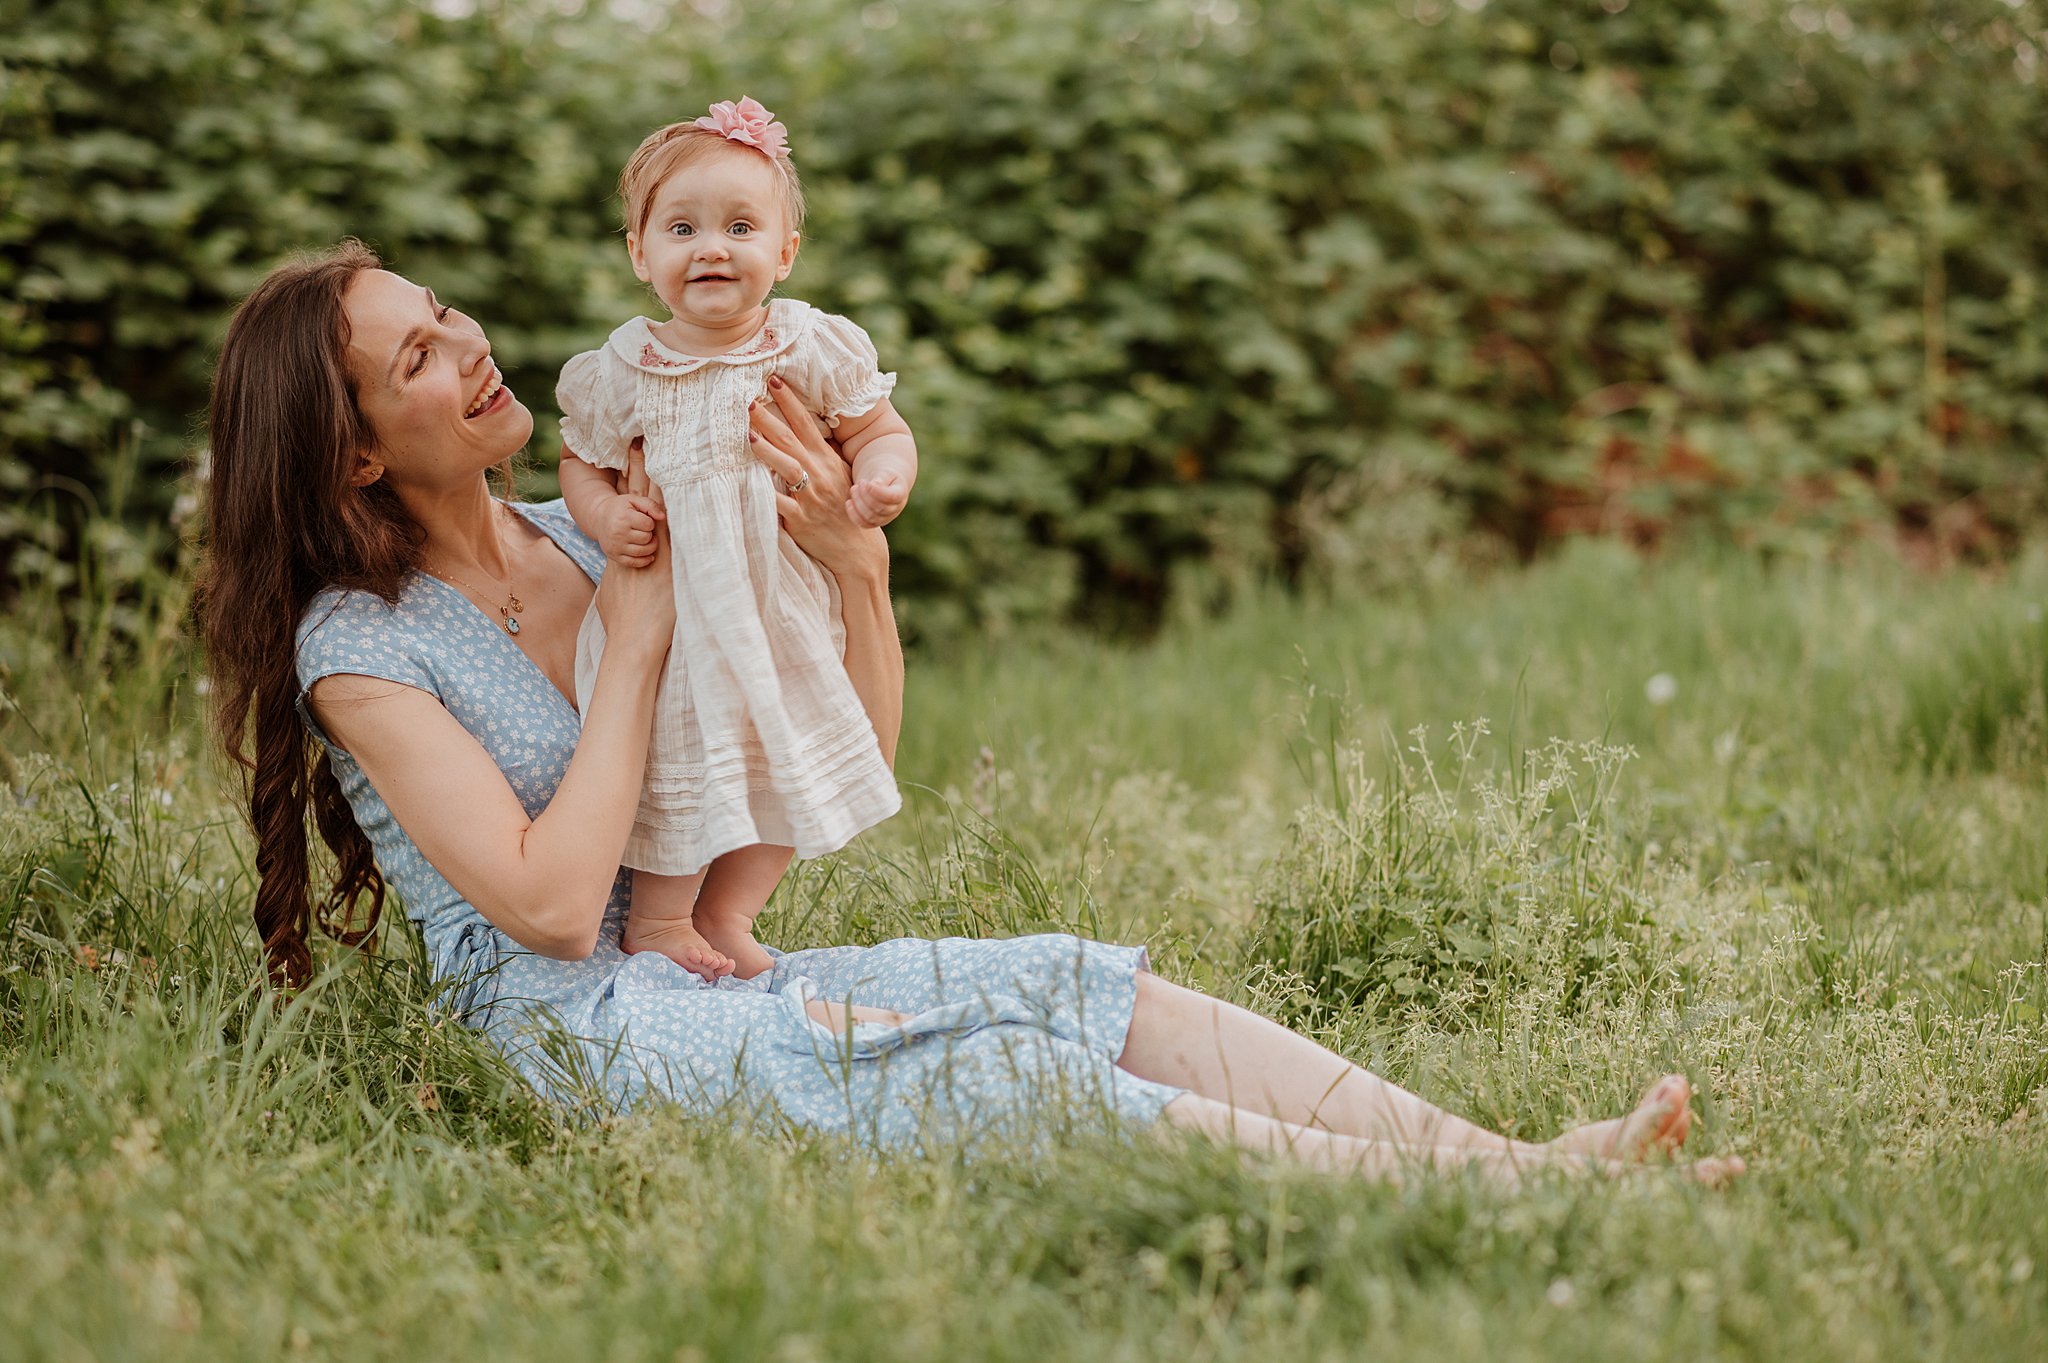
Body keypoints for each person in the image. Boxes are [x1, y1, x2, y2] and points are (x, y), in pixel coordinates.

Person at [196, 239, 1743, 1186]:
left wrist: (858, 576)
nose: (468, 348)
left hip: (700, 974)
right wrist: (644, 634)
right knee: (990, 1070)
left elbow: (832, 757)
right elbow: (542, 909)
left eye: (447, 313)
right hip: (573, 1036)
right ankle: (1494, 1206)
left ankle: (1514, 1157)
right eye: (418, 352)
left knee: (1072, 984)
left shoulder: (595, 529)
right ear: (351, 455)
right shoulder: (363, 645)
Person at [554, 99, 916, 985]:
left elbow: (880, 426)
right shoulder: (624, 369)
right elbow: (580, 463)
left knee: (788, 746)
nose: (712, 247)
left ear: (785, 252)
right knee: (678, 752)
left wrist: (884, 478)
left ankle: (730, 909)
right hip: (677, 621)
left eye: (741, 226)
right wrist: (605, 517)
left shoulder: (807, 344)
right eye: (682, 228)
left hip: (781, 608)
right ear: (641, 255)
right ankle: (663, 916)